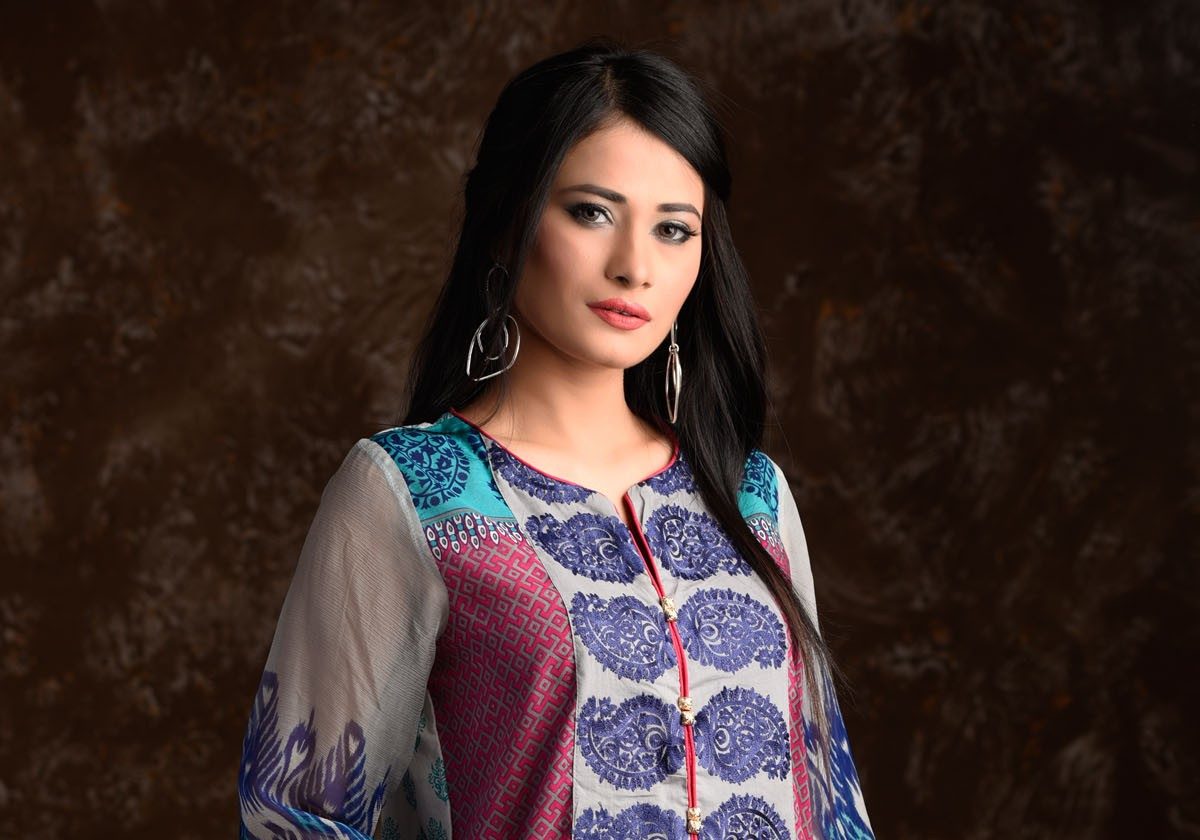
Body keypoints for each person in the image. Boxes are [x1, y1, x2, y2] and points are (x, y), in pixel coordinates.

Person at [237, 37, 875, 840]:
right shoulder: (410, 492)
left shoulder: (750, 495)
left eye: (674, 229)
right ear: (508, 223)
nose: (634, 266)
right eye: (591, 213)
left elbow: (832, 803)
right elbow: (294, 815)